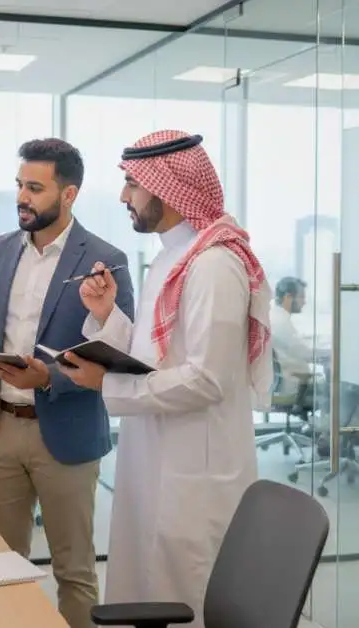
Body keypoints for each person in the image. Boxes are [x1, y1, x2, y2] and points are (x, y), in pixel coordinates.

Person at [58, 129, 272, 628]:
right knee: (148, 589)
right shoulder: (173, 257)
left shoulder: (214, 264)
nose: (124, 196)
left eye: (133, 183)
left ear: (169, 187)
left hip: (193, 476)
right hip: (155, 459)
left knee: (188, 596)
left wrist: (105, 385)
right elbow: (156, 354)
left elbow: (207, 380)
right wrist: (108, 314)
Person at [0, 138, 133, 628]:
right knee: (0, 566)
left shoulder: (106, 257)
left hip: (67, 433)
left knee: (74, 570)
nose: (23, 196)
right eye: (19, 185)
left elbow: (117, 355)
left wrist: (49, 377)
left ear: (69, 194)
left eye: (35, 188)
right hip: (0, 430)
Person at [270, 276, 313, 399]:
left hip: (281, 380)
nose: (304, 302)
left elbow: (293, 344)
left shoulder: (275, 317)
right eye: (301, 297)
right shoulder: (280, 322)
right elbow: (306, 353)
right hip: (293, 384)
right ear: (288, 298)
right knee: (337, 389)